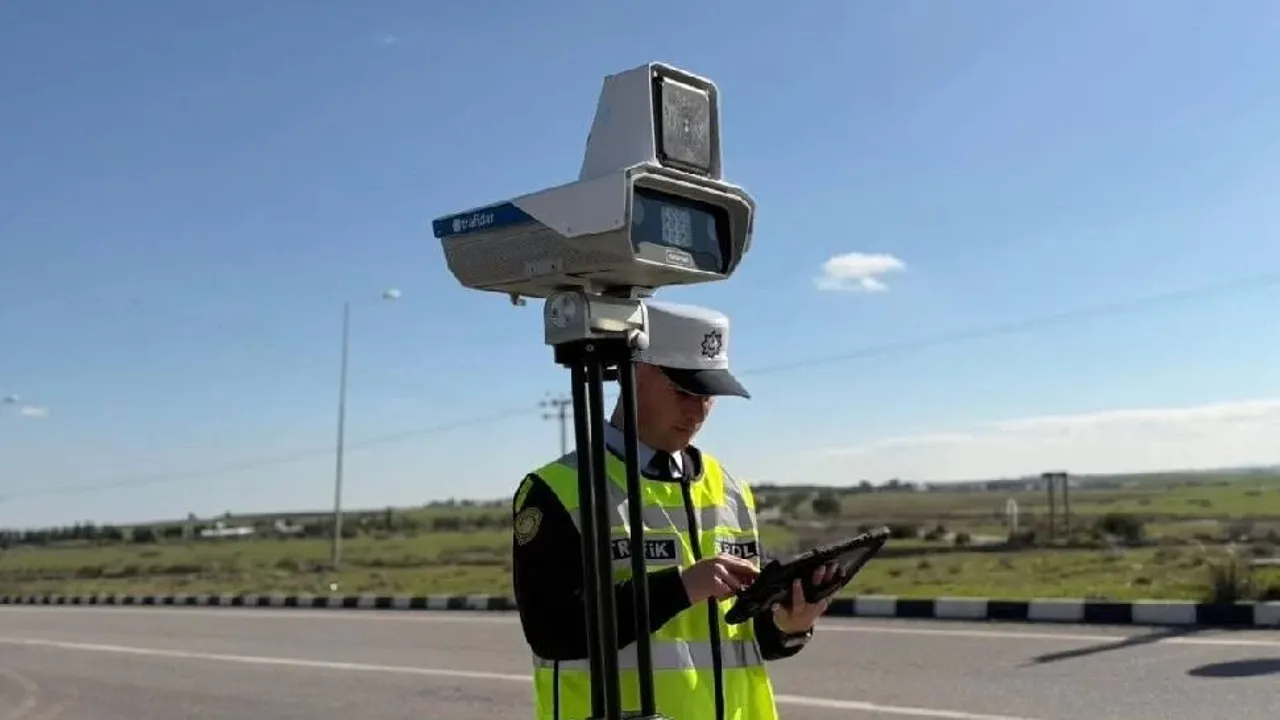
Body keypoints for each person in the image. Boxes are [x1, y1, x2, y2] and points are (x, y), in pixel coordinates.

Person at [511, 300, 847, 720]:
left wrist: (790, 626)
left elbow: (740, 639)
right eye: (684, 391)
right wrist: (682, 588)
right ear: (633, 372)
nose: (697, 411)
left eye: (709, 395)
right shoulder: (556, 490)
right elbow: (551, 631)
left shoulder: (731, 489)